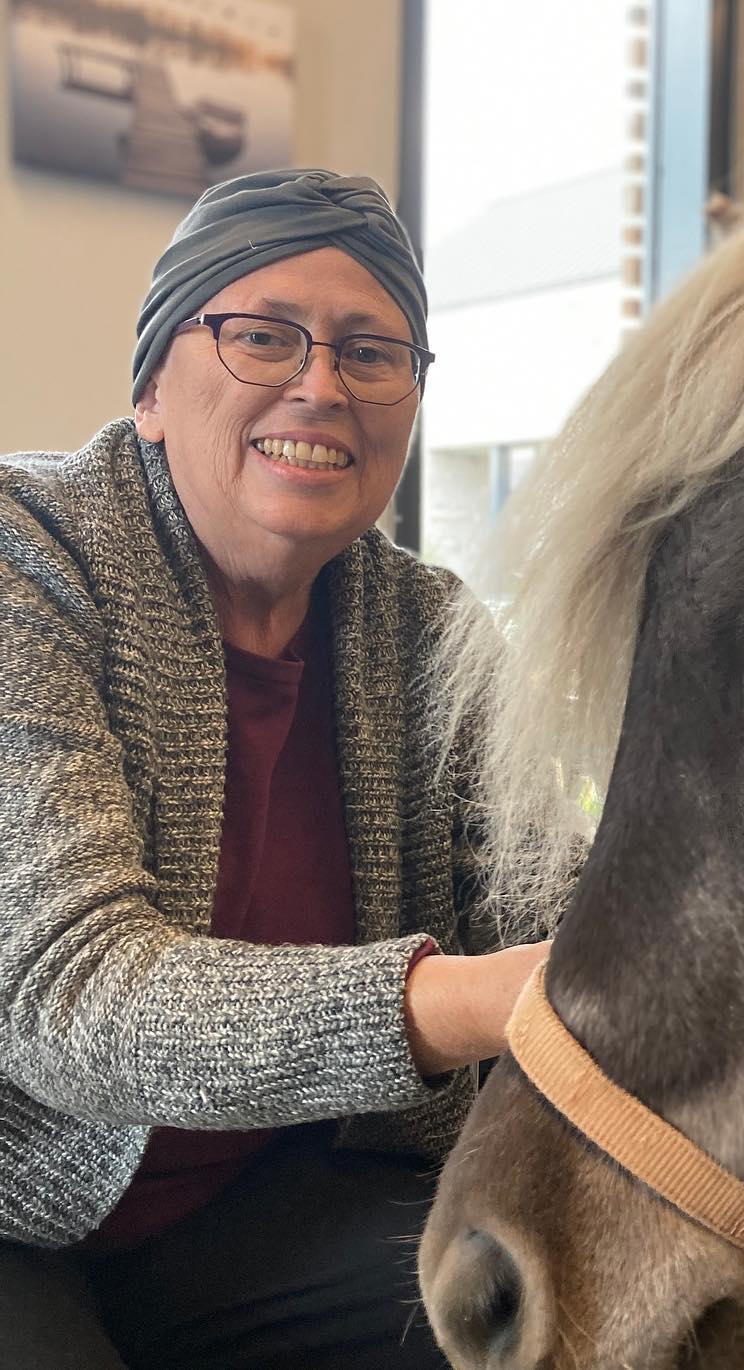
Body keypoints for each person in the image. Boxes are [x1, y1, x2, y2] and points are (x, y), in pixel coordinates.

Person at [0, 169, 548, 1368]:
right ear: (151, 387)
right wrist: (475, 998)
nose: (321, 384)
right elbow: (71, 1000)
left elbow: (551, 895)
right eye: (261, 336)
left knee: (536, 1323)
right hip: (16, 1207)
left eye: (372, 350)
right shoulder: (26, 558)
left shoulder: (431, 630)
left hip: (256, 1195)